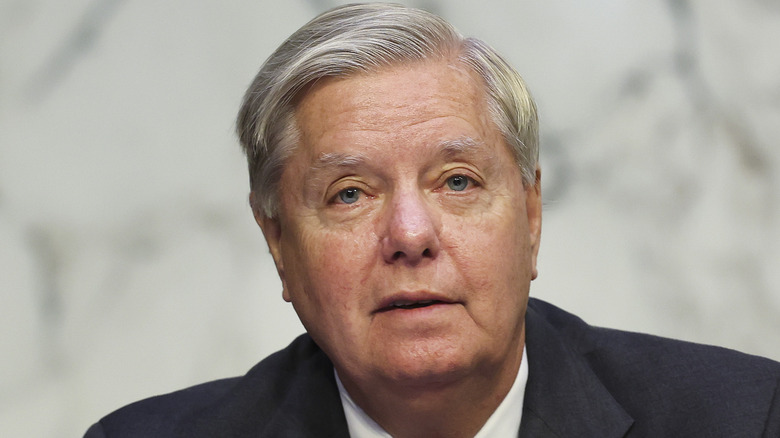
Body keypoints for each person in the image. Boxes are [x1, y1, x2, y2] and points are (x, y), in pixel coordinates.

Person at [85, 3, 780, 437]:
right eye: (350, 194)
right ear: (277, 243)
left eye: (457, 181)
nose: (411, 235)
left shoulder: (747, 419)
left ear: (531, 215)